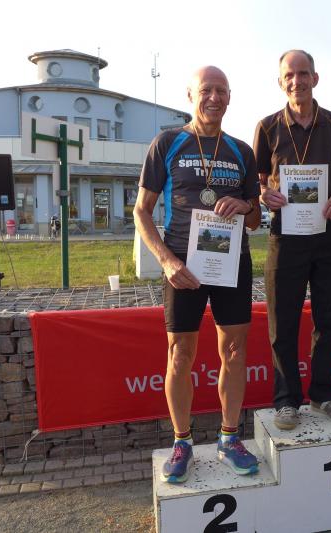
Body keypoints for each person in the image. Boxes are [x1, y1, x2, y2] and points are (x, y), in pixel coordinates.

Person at [134, 66, 261, 483]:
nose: (214, 97)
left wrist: (246, 206)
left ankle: (229, 437)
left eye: (221, 90)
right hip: (183, 267)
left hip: (231, 262)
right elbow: (141, 212)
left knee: (235, 352)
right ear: (191, 95)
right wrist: (167, 262)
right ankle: (182, 441)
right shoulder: (168, 143)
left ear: (230, 97)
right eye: (206, 90)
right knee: (179, 355)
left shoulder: (242, 151)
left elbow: (255, 218)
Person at [255, 49, 331, 430]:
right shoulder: (267, 127)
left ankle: (324, 394)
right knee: (282, 322)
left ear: (315, 78)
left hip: (329, 233)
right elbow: (258, 183)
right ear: (280, 82)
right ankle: (287, 402)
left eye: (303, 73)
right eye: (289, 75)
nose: (296, 81)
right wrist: (265, 196)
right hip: (286, 236)